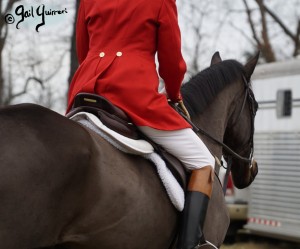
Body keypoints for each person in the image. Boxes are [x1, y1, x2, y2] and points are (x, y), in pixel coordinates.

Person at [67, 0, 215, 248]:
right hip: (132, 94)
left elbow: (84, 50)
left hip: (86, 89)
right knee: (204, 161)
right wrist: (174, 95)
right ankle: (191, 245)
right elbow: (172, 62)